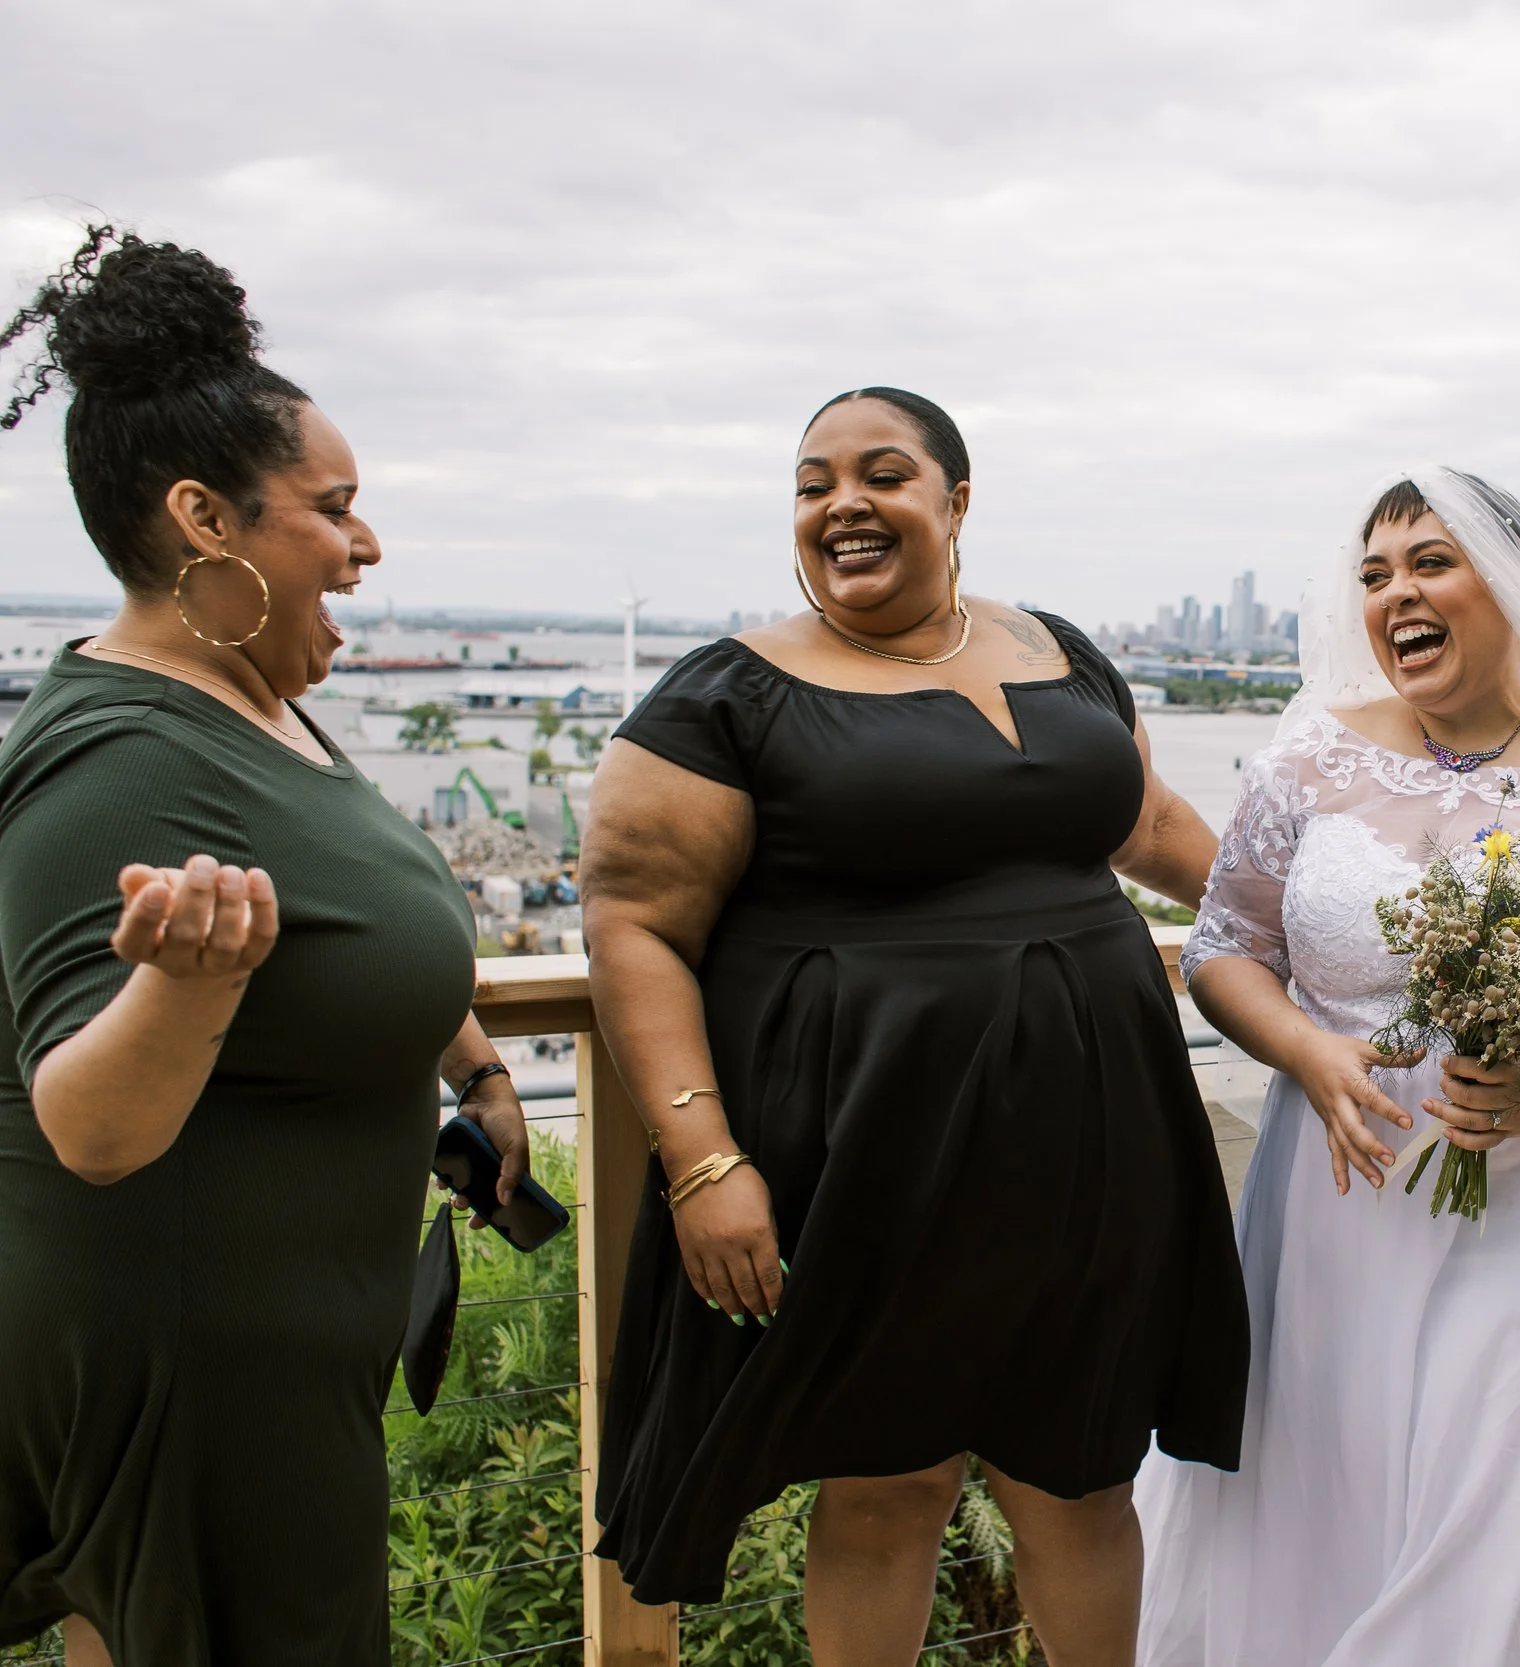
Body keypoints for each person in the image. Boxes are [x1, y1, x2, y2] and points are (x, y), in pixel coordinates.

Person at [581, 386, 1249, 1664]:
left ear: (955, 499)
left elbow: (1150, 827)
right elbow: (633, 927)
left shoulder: (1062, 651)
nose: (843, 502)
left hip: (1091, 1146)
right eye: (812, 481)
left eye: (881, 473)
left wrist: (1317, 945)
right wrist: (702, 1159)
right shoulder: (727, 692)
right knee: (889, 1479)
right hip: (870, 1148)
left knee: (1082, 1468)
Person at [0, 228, 530, 1666]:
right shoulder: (106, 761)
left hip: (282, 1356)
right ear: (203, 517)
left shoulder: (254, 699)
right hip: (193, 1369)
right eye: (335, 507)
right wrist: (188, 980)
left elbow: (343, 901)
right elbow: (89, 1122)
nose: (366, 546)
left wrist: (469, 1052)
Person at [1135, 468, 1520, 1667]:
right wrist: (1307, 1047)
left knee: (1494, 1535)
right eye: (1375, 573)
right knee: (1326, 1515)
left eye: (1431, 561)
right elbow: (1221, 951)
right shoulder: (1308, 759)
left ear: (1511, 586)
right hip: (1339, 1201)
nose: (1397, 592)